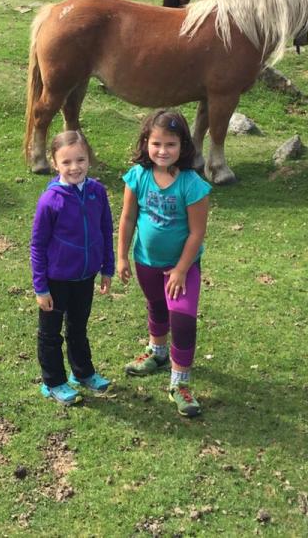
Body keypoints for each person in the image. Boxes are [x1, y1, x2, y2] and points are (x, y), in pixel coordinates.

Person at [117, 110, 211, 417]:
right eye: (156, 143)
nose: (162, 150)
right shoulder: (137, 176)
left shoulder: (192, 183)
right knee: (156, 305)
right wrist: (121, 256)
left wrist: (182, 269)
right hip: (146, 260)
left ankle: (179, 382)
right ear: (146, 143)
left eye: (170, 144)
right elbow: (128, 217)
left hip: (181, 267)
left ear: (183, 146)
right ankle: (157, 352)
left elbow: (197, 232)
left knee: (182, 318)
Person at [30, 130, 115, 406]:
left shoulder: (97, 192)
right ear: (55, 163)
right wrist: (40, 287)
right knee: (50, 332)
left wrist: (107, 268)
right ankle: (53, 381)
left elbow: (105, 229)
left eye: (80, 159)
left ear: (89, 159)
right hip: (56, 280)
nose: (75, 167)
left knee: (78, 327)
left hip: (85, 276)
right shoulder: (49, 201)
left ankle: (83, 372)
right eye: (66, 162)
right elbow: (37, 246)